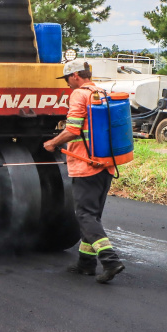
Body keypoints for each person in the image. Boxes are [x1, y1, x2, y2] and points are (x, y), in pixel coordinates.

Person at [43, 60, 126, 284]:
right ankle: (86, 263)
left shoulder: (79, 95)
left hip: (85, 165)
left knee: (85, 215)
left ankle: (110, 261)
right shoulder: (100, 92)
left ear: (76, 75)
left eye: (68, 79)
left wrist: (52, 143)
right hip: (105, 164)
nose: (68, 84)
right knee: (92, 214)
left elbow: (72, 129)